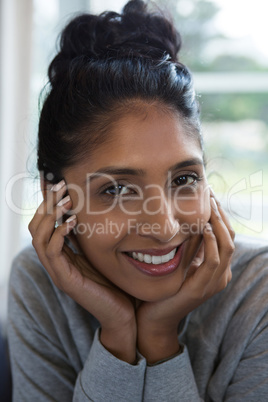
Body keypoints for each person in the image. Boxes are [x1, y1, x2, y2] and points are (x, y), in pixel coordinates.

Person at [7, 0, 268, 400]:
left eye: (184, 179)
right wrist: (118, 334)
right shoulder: (40, 283)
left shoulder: (258, 294)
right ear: (55, 197)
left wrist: (159, 337)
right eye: (117, 189)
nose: (164, 228)